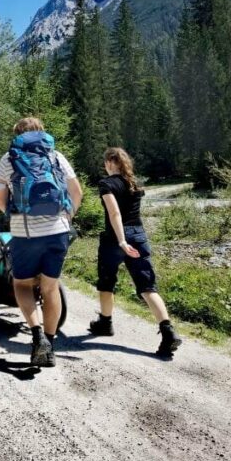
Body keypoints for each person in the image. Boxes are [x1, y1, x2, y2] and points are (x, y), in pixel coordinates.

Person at [0, 117, 83, 367]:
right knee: (50, 288)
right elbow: (77, 192)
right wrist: (68, 216)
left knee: (21, 284)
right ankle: (50, 347)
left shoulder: (8, 158)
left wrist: (11, 216)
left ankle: (36, 336)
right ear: (42, 133)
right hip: (58, 231)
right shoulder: (56, 156)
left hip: (26, 233)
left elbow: (0, 199)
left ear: (18, 135)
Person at [88, 147, 182, 358]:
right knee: (147, 285)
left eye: (106, 163)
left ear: (110, 162)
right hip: (139, 235)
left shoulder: (106, 184)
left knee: (106, 281)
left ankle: (105, 322)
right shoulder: (135, 184)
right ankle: (168, 331)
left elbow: (114, 213)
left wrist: (121, 240)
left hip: (115, 239)